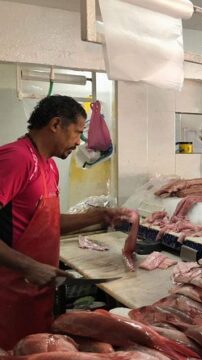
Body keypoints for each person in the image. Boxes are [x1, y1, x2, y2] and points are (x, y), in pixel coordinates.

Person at [0, 95, 134, 349]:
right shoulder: (16, 159)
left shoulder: (48, 166)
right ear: (55, 124)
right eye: (77, 132)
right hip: (9, 293)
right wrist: (29, 267)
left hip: (36, 292)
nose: (79, 142)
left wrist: (99, 215)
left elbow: (48, 223)